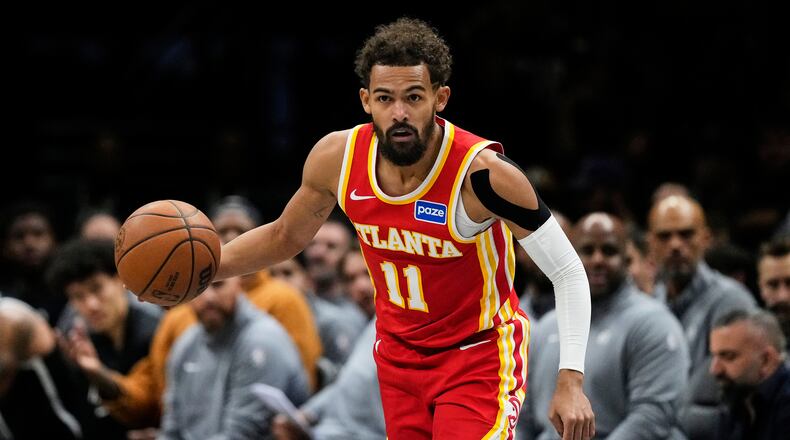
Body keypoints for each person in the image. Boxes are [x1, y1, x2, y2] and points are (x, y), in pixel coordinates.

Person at [213, 17, 594, 439]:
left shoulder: (483, 175)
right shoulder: (336, 158)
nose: (399, 113)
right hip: (397, 360)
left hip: (476, 357)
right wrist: (206, 270)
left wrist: (571, 381)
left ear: (440, 97)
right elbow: (284, 236)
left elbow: (568, 272)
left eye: (413, 97)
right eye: (385, 98)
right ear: (365, 100)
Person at [523, 213, 689, 439]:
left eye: (609, 251)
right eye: (587, 251)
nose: (597, 259)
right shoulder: (545, 328)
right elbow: (522, 417)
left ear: (626, 258)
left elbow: (653, 415)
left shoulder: (654, 323)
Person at [646, 194, 756, 439]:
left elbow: (733, 392)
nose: (675, 245)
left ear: (706, 239)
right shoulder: (650, 305)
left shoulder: (732, 300)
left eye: (686, 234)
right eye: (665, 236)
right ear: (650, 243)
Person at [159, 276, 309, 439]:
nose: (208, 297)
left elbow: (242, 433)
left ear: (239, 283)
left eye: (218, 285)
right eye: (199, 288)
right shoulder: (185, 345)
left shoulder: (261, 341)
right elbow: (171, 428)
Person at [47, 238, 162, 439]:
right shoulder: (76, 341)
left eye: (96, 288)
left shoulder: (156, 329)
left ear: (119, 281)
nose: (91, 304)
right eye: (78, 297)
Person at [709, 309, 790, 440]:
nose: (714, 369)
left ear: (766, 360)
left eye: (729, 356)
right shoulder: (737, 397)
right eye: (714, 356)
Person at [756, 235, 790, 350]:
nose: (783, 296)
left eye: (789, 283)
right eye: (773, 285)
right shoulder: (747, 339)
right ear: (761, 287)